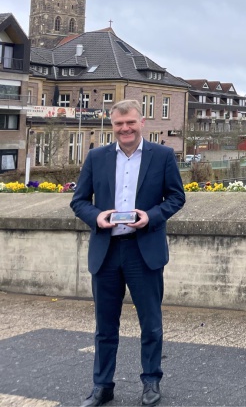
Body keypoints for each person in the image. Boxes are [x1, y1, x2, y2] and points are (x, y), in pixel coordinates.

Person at [71, 99, 186, 406]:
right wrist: (96, 217)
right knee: (105, 326)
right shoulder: (96, 157)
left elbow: (176, 197)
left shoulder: (162, 156)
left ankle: (151, 382)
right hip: (106, 251)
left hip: (143, 250)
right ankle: (102, 386)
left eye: (130, 123)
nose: (125, 129)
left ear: (141, 123)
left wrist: (152, 216)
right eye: (119, 124)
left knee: (151, 323)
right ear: (113, 126)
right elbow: (79, 200)